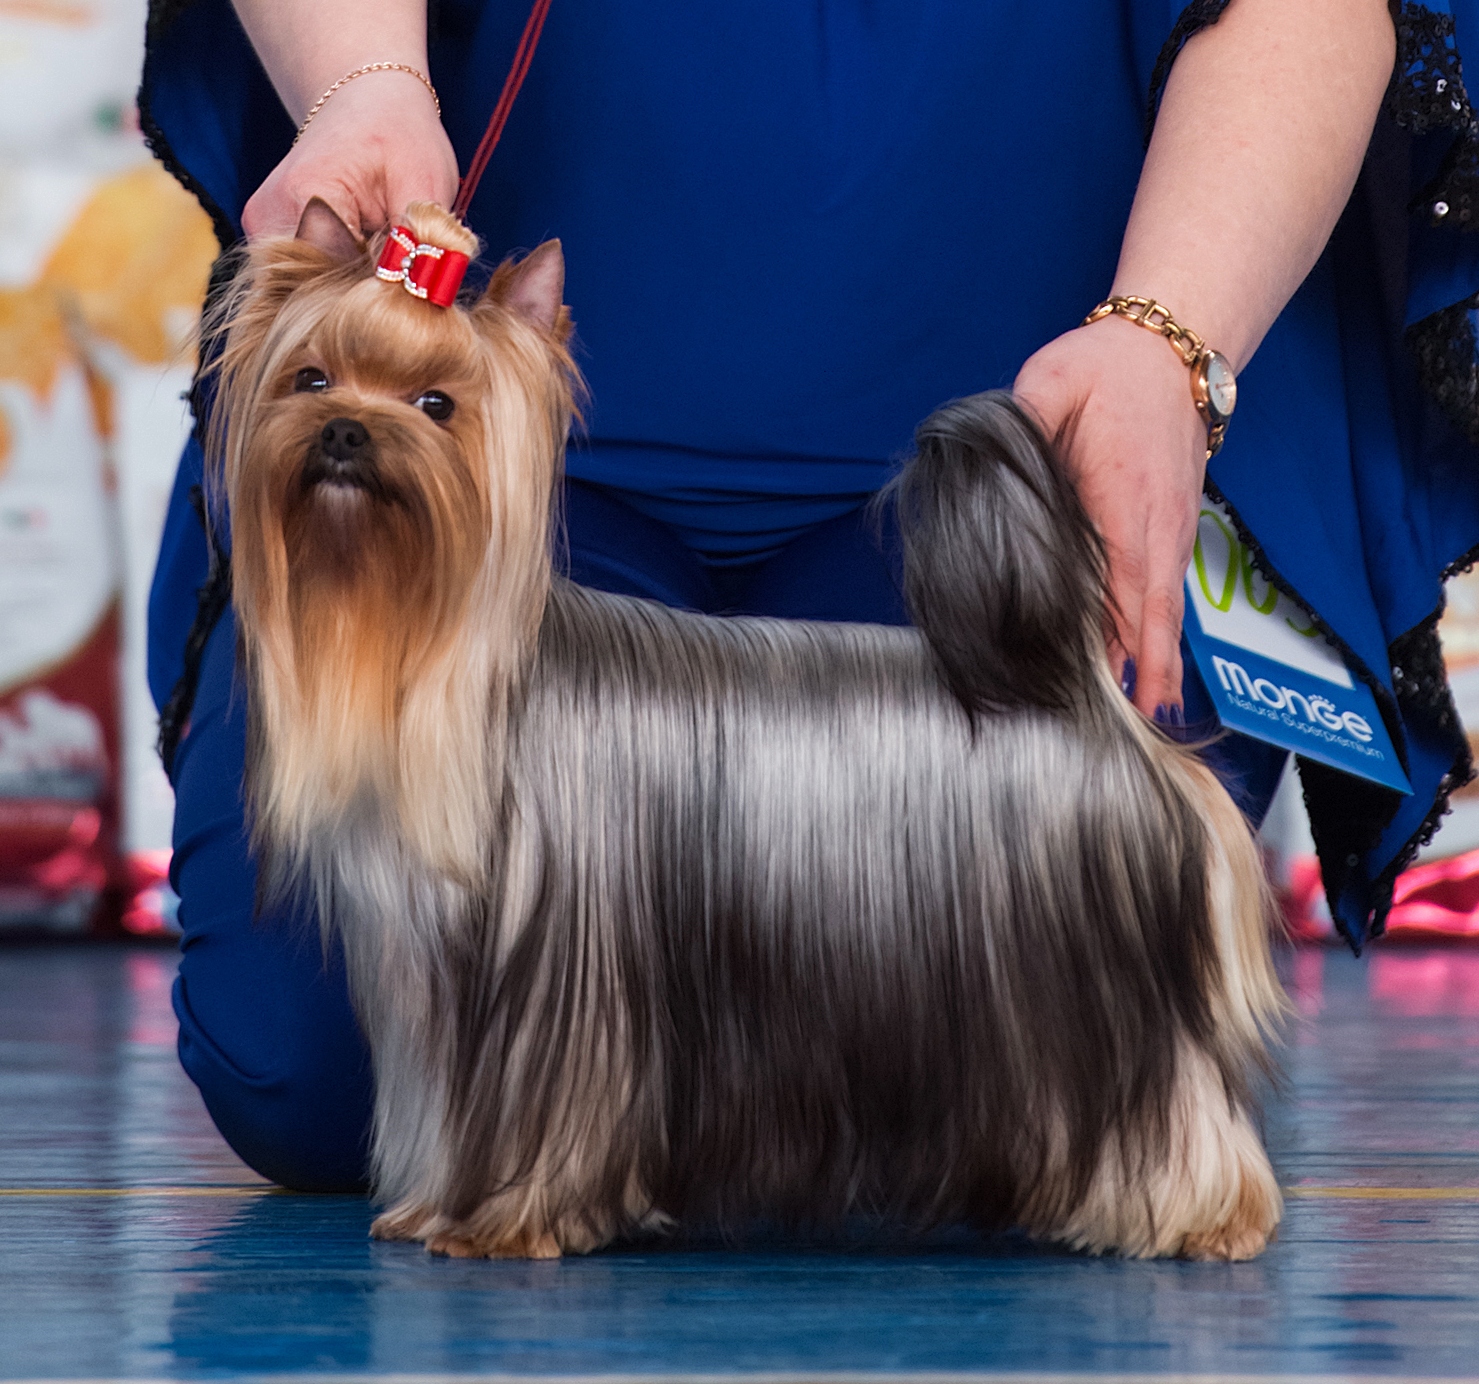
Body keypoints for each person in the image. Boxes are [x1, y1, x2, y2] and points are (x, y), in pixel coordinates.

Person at [139, 0, 1474, 1191]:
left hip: (1018, 447)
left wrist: (1169, 340)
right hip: (514, 511)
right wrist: (364, 71)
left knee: (1053, 991)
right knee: (328, 1075)